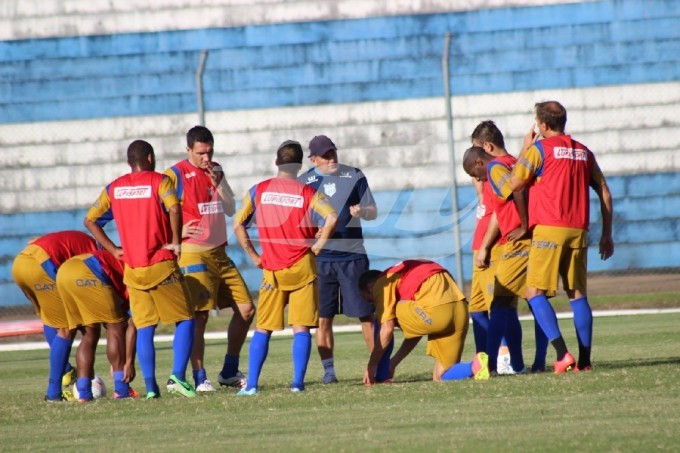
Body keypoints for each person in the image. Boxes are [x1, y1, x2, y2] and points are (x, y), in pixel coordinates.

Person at [84, 139, 197, 398]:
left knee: (145, 326)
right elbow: (175, 207)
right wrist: (176, 242)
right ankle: (178, 377)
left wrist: (113, 249)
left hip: (133, 268)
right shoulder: (160, 181)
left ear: (129, 163)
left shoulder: (115, 188)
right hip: (160, 263)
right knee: (186, 319)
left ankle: (150, 388)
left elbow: (89, 220)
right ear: (149, 158)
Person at [509, 101, 615, 373]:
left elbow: (514, 183)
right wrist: (607, 234)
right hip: (579, 229)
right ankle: (586, 361)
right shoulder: (583, 151)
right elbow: (604, 191)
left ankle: (562, 354)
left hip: (548, 228)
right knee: (578, 295)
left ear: (543, 125)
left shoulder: (539, 150)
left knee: (533, 293)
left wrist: (525, 147)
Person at [233, 140, 338, 395]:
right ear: (299, 165)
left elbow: (238, 224)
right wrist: (319, 244)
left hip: (272, 269)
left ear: (277, 162)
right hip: (302, 266)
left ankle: (253, 385)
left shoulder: (259, 190)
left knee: (264, 328)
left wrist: (254, 256)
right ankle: (297, 384)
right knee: (300, 328)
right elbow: (332, 216)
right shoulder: (308, 193)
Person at [164, 126, 255, 392]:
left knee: (247, 309)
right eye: (201, 153)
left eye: (210, 151)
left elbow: (229, 208)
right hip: (193, 251)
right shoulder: (174, 175)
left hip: (219, 251)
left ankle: (228, 371)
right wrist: (177, 233)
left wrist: (218, 183)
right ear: (188, 150)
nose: (206, 157)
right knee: (200, 315)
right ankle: (199, 377)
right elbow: (157, 213)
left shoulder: (217, 169)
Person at [469, 120, 550, 374]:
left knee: (504, 305)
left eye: (477, 153)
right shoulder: (514, 162)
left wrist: (522, 225)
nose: (475, 161)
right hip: (510, 241)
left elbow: (510, 194)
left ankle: (500, 363)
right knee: (526, 301)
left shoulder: (495, 167)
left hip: (504, 244)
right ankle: (532, 362)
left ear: (487, 147)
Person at [297, 135, 378, 384]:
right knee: (323, 318)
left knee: (366, 316)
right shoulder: (304, 182)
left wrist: (362, 211)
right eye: (326, 155)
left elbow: (373, 212)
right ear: (313, 159)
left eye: (333, 153)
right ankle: (329, 372)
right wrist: (312, 233)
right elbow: (298, 221)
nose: (332, 159)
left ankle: (377, 367)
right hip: (321, 259)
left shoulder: (354, 175)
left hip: (353, 256)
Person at [359, 260, 490, 384]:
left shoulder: (383, 281)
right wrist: (393, 363)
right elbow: (417, 330)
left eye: (370, 300)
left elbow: (387, 328)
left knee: (384, 318)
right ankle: (475, 365)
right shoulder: (405, 275)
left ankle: (380, 375)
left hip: (435, 310)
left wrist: (371, 365)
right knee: (441, 376)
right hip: (460, 310)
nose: (373, 303)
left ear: (370, 288)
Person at [11, 230, 97, 402]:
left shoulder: (78, 239)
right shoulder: (94, 250)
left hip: (19, 264)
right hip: (41, 266)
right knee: (66, 328)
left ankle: (65, 370)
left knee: (50, 318)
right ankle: (53, 393)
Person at [56, 248, 138, 401]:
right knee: (116, 326)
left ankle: (84, 394)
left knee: (89, 333)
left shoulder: (130, 252)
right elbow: (128, 323)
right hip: (89, 270)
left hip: (64, 271)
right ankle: (122, 390)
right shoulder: (141, 267)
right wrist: (126, 362)